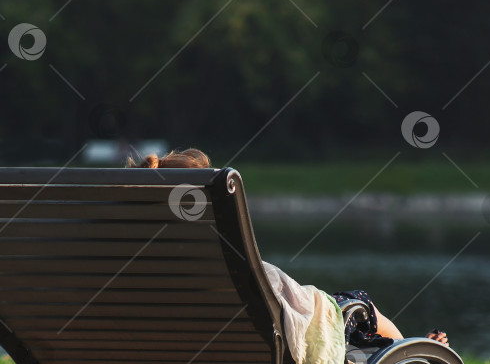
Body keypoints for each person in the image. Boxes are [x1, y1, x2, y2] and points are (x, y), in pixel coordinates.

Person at [129, 148, 449, 347]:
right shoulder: (220, 252)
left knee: (347, 312)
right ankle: (410, 352)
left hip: (184, 351)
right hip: (266, 341)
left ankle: (407, 346)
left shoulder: (143, 262)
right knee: (359, 306)